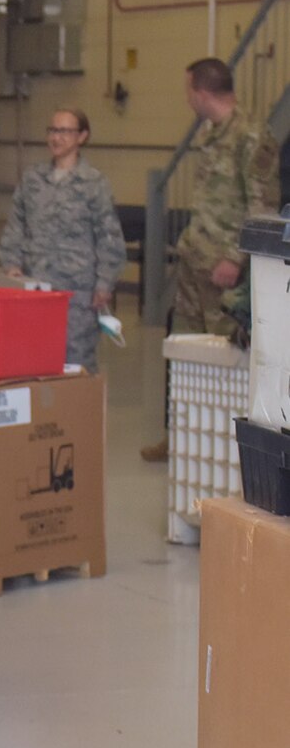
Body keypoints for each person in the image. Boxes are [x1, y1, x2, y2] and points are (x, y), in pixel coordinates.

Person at [144, 58, 279, 461]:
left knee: (225, 356)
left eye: (188, 91)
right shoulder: (215, 133)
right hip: (194, 261)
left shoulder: (252, 137)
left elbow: (263, 208)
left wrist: (237, 260)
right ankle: (180, 436)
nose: (188, 99)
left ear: (201, 92)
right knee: (183, 349)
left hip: (224, 271)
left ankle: (225, 444)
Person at [0, 108, 126, 368]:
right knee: (33, 358)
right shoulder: (33, 179)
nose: (57, 138)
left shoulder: (94, 183)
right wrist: (11, 265)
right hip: (35, 287)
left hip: (77, 291)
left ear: (82, 137)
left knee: (75, 363)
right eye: (53, 131)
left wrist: (105, 283)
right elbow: (16, 224)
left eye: (65, 132)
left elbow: (108, 235)